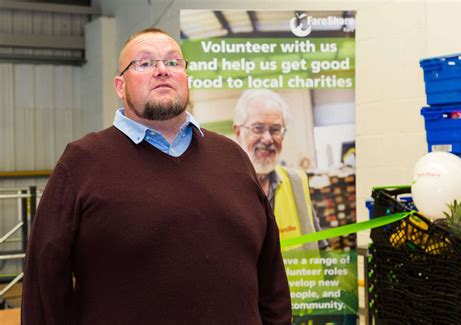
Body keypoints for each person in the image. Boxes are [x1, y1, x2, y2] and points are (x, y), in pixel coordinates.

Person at [21, 28, 291, 324]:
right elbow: (44, 278)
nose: (162, 70)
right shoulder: (82, 162)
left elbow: (271, 277)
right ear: (120, 86)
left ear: (186, 77)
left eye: (173, 62)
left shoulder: (233, 157)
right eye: (145, 63)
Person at [233, 89, 328, 251]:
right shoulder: (221, 186)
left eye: (275, 130)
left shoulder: (296, 181)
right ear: (238, 132)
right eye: (258, 128)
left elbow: (320, 246)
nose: (268, 139)